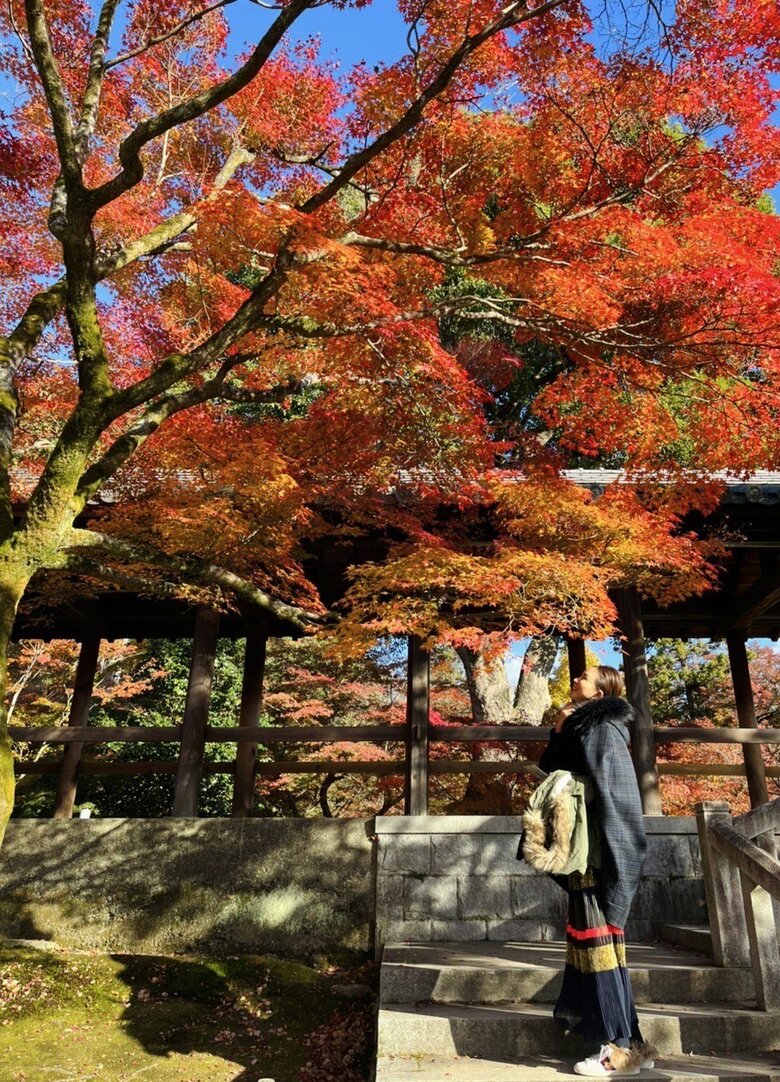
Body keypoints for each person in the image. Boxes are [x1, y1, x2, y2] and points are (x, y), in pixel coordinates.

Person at [537, 665, 653, 1077]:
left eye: (584, 675)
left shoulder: (604, 729)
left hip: (598, 855)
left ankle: (613, 1052)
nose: (576, 678)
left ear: (601, 690)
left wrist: (619, 862)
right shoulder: (586, 726)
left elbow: (619, 800)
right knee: (594, 949)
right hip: (586, 853)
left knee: (599, 950)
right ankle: (633, 1043)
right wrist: (561, 722)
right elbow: (549, 768)